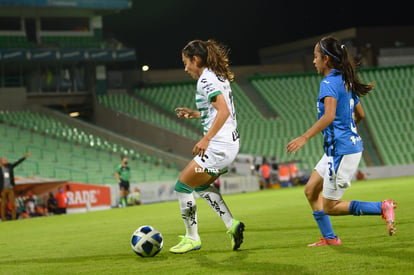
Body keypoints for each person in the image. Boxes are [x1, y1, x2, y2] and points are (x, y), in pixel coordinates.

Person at [286, 36, 396, 247]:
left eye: (316, 56)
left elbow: (328, 116)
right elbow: (360, 115)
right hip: (337, 149)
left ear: (326, 59)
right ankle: (329, 238)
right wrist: (346, 126)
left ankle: (382, 207)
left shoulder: (328, 83)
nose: (314, 61)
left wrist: (304, 137)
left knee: (330, 206)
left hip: (342, 151)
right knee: (310, 191)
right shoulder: (345, 80)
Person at [170, 39, 244, 254]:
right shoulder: (216, 75)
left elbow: (223, 111)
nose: (186, 69)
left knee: (182, 187)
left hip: (218, 146)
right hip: (229, 144)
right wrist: (194, 114)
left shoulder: (205, 79)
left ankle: (192, 238)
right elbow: (216, 111)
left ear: (196, 59)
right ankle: (232, 224)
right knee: (201, 187)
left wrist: (206, 139)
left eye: (186, 63)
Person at [0, 152, 31, 221]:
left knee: (13, 203)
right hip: (3, 189)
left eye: (6, 160)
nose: (6, 161)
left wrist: (24, 157)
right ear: (1, 161)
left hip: (10, 188)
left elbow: (17, 163)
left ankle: (13, 218)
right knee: (3, 205)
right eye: (4, 160)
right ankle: (3, 218)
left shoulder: (10, 166)